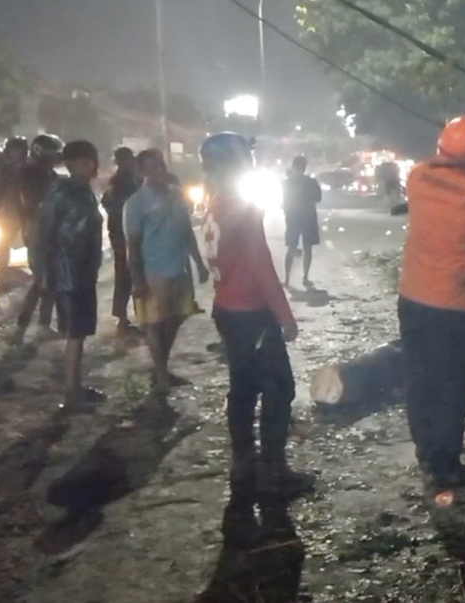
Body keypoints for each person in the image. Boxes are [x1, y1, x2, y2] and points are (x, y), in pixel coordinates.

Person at [398, 115, 465, 492]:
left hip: (412, 298)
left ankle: (427, 454)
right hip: (451, 306)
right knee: (452, 385)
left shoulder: (416, 177)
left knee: (419, 377)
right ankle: (445, 467)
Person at [200, 132, 312, 496]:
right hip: (251, 313)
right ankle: (274, 470)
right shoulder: (240, 207)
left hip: (227, 309)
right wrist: (285, 317)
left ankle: (243, 464)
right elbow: (261, 265)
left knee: (243, 389)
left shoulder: (214, 202)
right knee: (280, 388)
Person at [125, 148, 208, 396]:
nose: (157, 171)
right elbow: (133, 244)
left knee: (175, 318)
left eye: (159, 166)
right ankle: (161, 376)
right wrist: (137, 280)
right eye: (150, 168)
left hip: (179, 269)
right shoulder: (136, 203)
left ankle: (161, 368)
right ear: (141, 172)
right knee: (154, 323)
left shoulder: (176, 195)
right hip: (153, 272)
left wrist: (199, 263)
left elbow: (187, 232)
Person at [38, 140, 104, 412]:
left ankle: (75, 386)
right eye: (81, 161)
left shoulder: (85, 191)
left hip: (84, 271)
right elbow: (45, 233)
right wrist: (44, 273)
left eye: (90, 160)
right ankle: (71, 391)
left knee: (81, 331)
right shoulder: (62, 191)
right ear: (69, 163)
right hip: (68, 272)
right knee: (75, 332)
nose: (88, 166)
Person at [13, 134, 64, 340]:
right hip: (37, 228)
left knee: (50, 277)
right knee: (42, 278)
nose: (55, 157)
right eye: (51, 152)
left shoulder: (50, 174)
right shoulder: (30, 173)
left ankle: (38, 322)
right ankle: (27, 323)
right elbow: (32, 202)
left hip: (50, 229)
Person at [101, 146, 141, 333]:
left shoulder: (133, 179)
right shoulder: (118, 182)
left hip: (129, 233)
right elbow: (110, 204)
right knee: (127, 276)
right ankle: (124, 318)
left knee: (130, 276)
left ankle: (130, 316)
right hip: (122, 235)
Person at [282, 155, 321, 289]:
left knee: (291, 248)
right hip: (308, 217)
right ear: (304, 167)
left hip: (293, 217)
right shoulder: (311, 182)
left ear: (293, 166)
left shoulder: (287, 182)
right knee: (308, 248)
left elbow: (284, 203)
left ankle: (287, 279)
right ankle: (305, 277)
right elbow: (318, 198)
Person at [0, 136, 29, 272]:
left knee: (33, 240)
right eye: (13, 150)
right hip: (10, 209)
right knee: (4, 239)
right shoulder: (6, 169)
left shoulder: (30, 168)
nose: (15, 153)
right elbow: (0, 190)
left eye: (18, 150)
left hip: (28, 208)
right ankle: (3, 265)